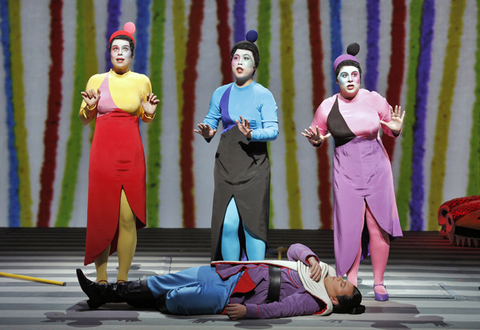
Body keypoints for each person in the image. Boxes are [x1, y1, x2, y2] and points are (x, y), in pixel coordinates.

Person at [302, 43, 404, 301]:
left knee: (378, 226)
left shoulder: (374, 99)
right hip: (346, 173)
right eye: (344, 75)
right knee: (349, 228)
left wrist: (396, 127)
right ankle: (350, 281)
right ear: (336, 79)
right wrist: (316, 141)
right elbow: (317, 134)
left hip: (377, 170)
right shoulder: (327, 106)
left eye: (354, 74)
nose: (350, 79)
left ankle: (379, 283)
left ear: (360, 76)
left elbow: (391, 127)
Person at [76, 243, 364, 318]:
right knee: (167, 281)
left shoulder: (313, 299)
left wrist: (249, 312)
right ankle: (106, 293)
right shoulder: (317, 269)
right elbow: (293, 250)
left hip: (233, 297)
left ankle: (113, 297)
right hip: (230, 273)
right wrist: (311, 258)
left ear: (335, 300)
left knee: (174, 301)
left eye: (342, 284)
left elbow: (280, 309)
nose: (339, 278)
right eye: (343, 278)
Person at [79, 22, 159, 284]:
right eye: (116, 48)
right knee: (103, 216)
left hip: (132, 156)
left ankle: (122, 279)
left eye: (125, 49)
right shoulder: (96, 80)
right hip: (103, 157)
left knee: (127, 217)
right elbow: (83, 119)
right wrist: (90, 107)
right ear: (109, 53)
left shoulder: (141, 80)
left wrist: (148, 112)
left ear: (132, 54)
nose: (120, 53)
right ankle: (101, 279)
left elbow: (146, 118)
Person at [194, 30, 279, 261]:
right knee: (229, 223)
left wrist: (252, 133)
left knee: (253, 226)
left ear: (255, 66)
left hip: (254, 167)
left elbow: (273, 130)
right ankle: (232, 278)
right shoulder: (221, 93)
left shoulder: (263, 95)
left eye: (246, 59)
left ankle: (256, 276)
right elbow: (211, 123)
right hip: (226, 166)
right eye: (236, 58)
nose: (239, 62)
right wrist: (208, 131)